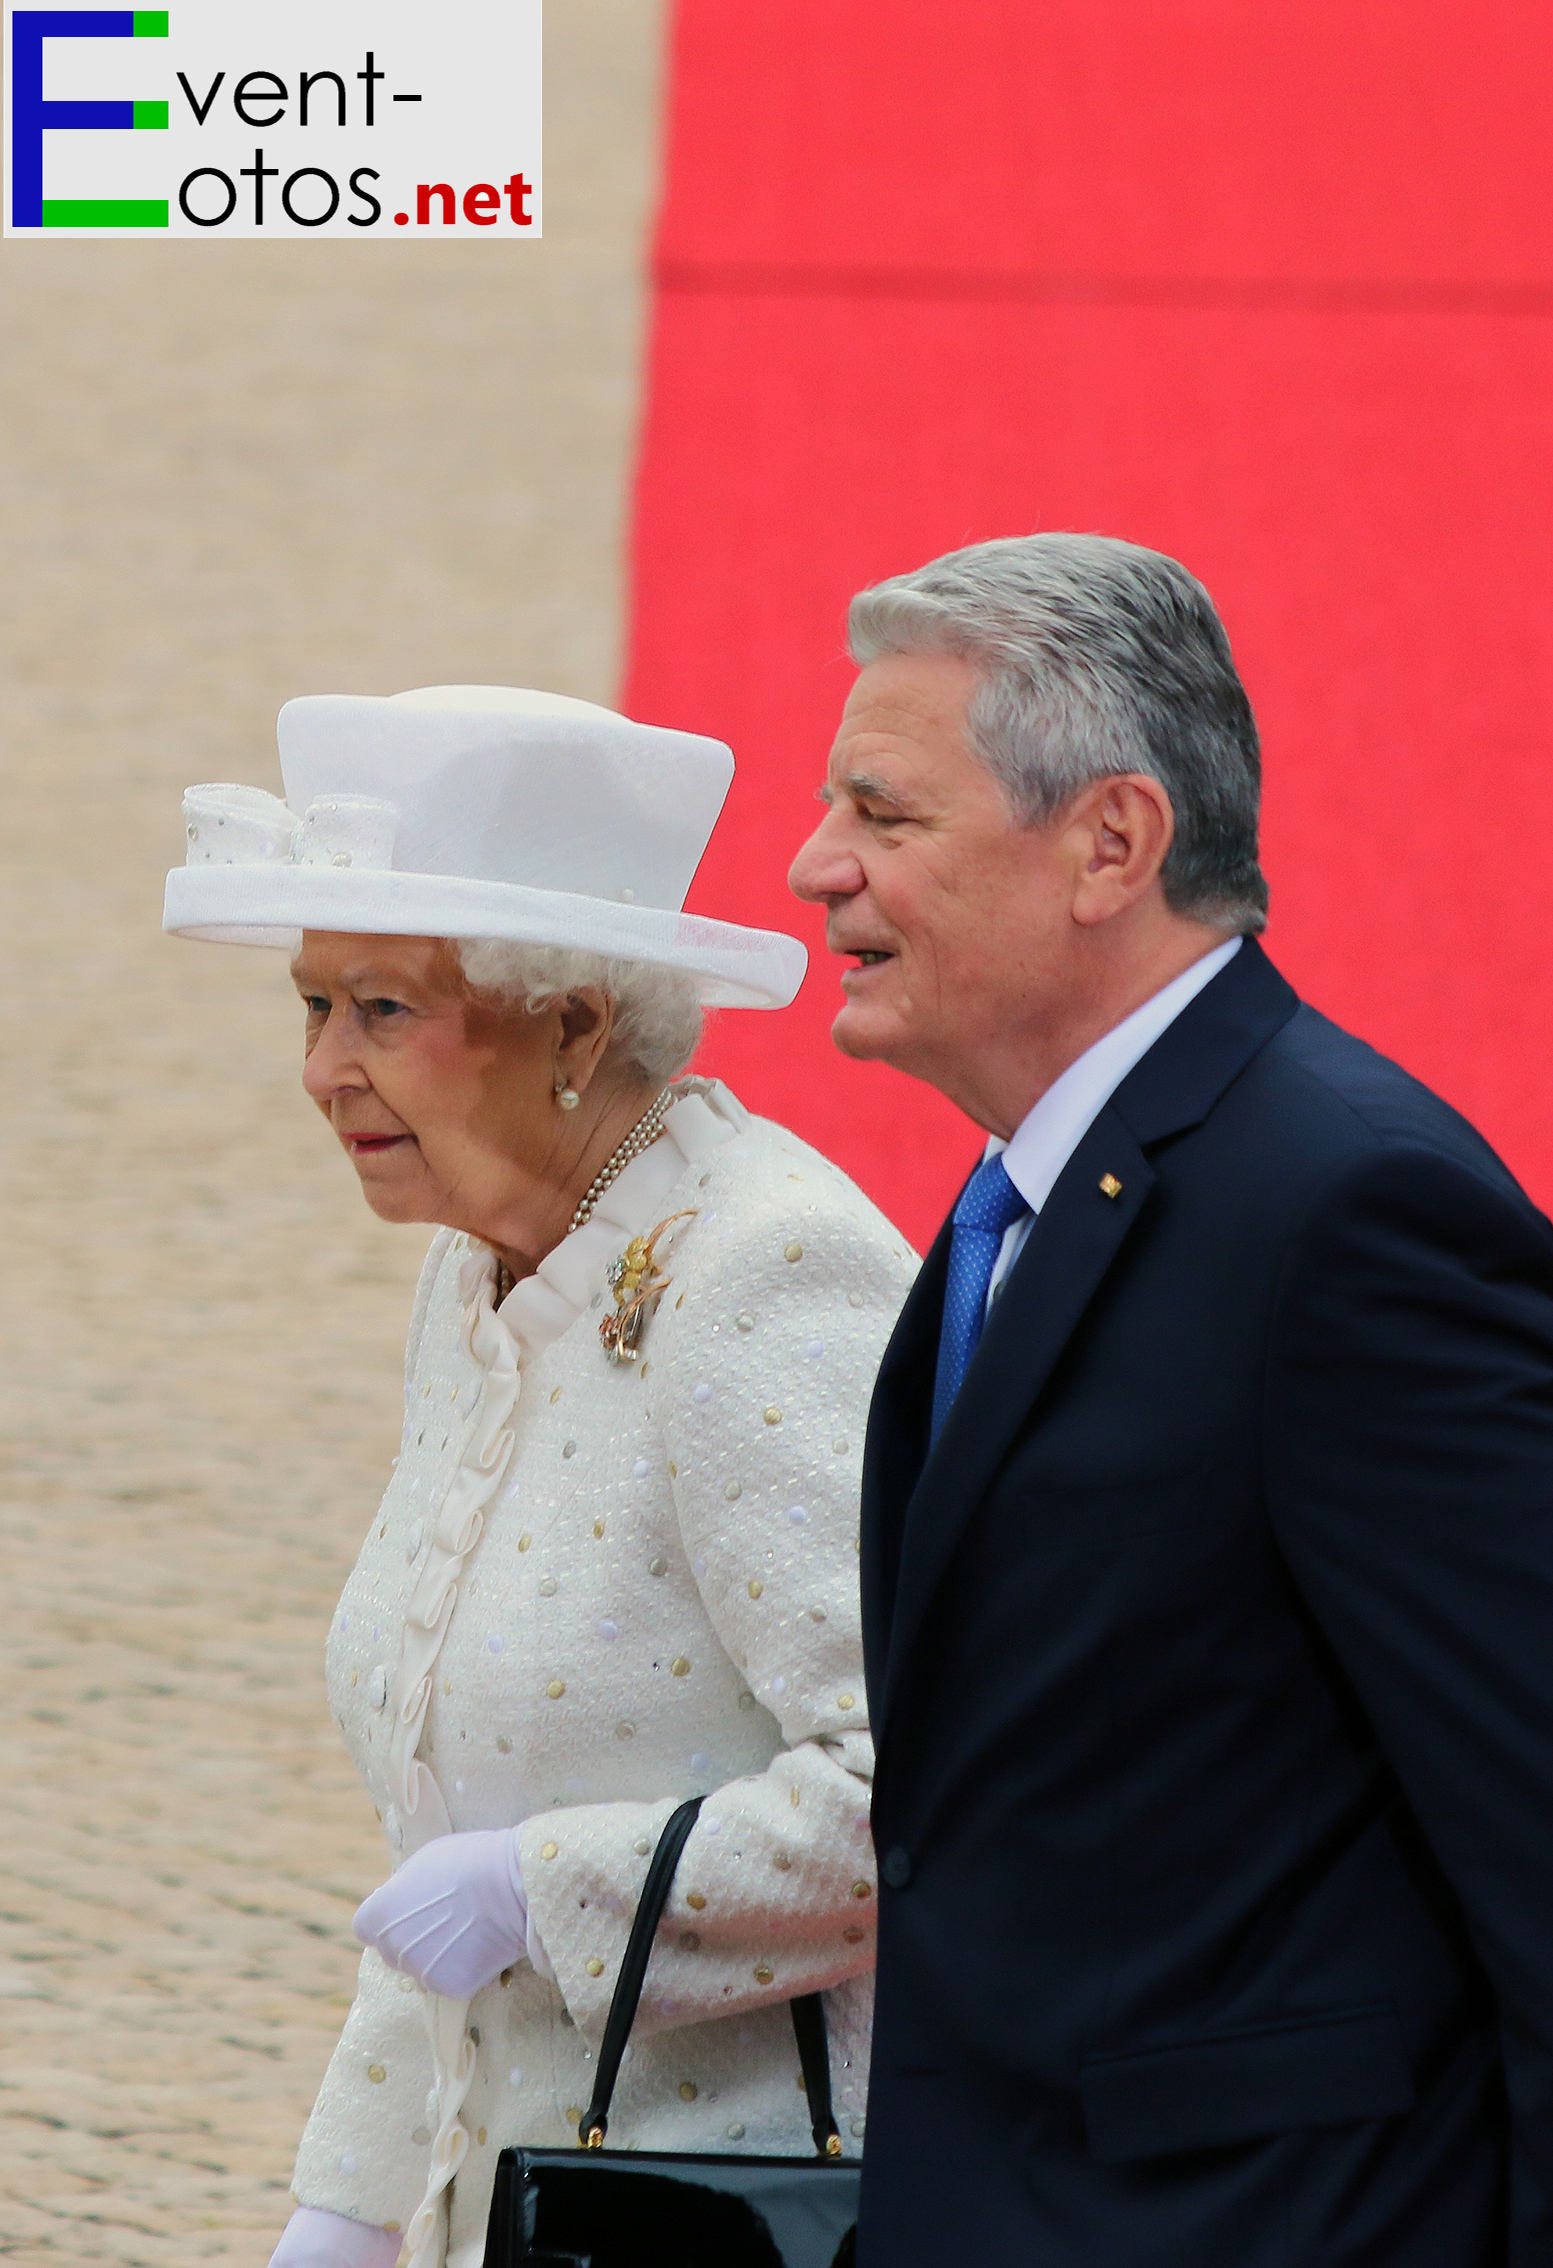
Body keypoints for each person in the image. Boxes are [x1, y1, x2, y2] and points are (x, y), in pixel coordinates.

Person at [788, 533, 1553, 2268]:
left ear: (1109, 845)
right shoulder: (1029, 1203)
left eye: (884, 816)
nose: (811, 864)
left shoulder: (1351, 1215)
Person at [163, 684, 917, 2268]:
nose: (321, 1071)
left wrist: (542, 1885)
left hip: (733, 2214)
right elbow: (444, 1846)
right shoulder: (489, 1270)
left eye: (379, 1011)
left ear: (574, 1026)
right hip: (504, 2203)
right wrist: (350, 2203)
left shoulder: (766, 1274)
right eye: (313, 1007)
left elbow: (918, 1791)